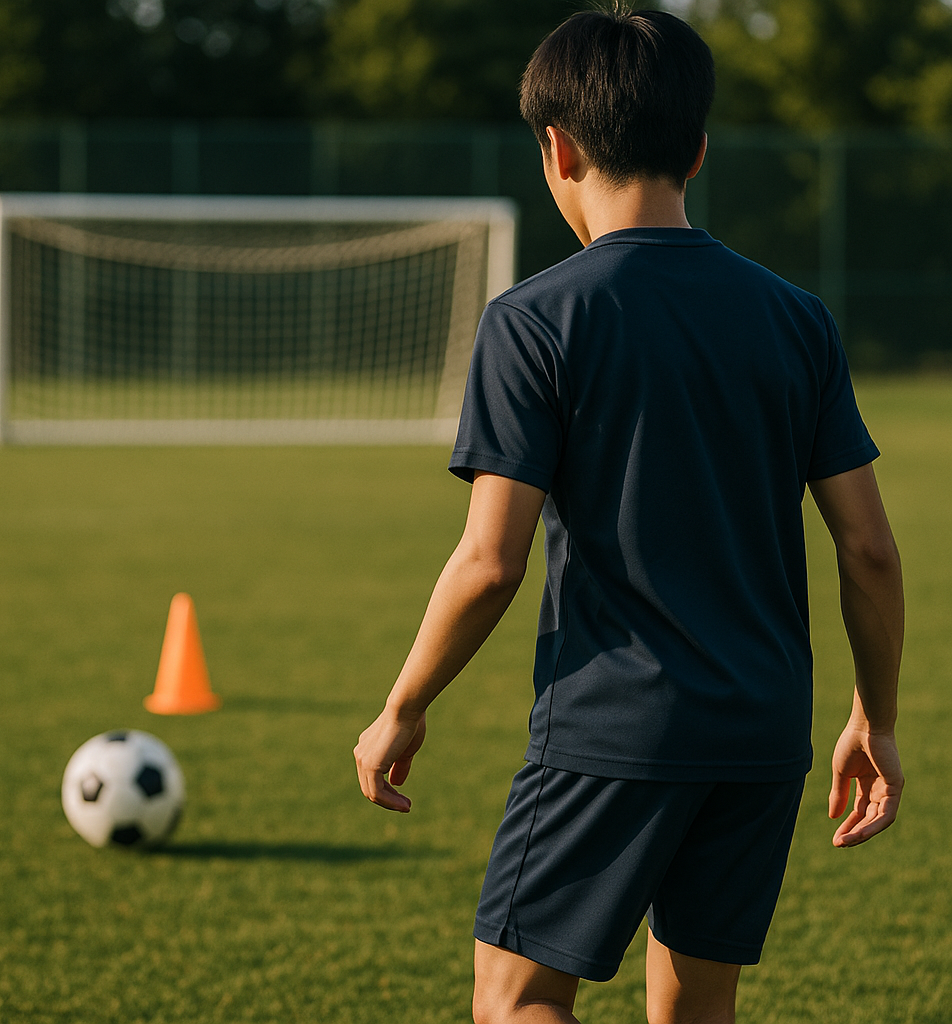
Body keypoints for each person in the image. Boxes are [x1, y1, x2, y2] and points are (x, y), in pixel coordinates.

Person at [353, 6, 905, 1023]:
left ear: (556, 148)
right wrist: (873, 716)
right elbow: (867, 547)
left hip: (612, 730)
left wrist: (402, 704)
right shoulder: (796, 317)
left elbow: (489, 562)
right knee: (696, 1009)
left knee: (517, 998)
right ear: (696, 147)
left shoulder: (535, 319)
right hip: (763, 727)